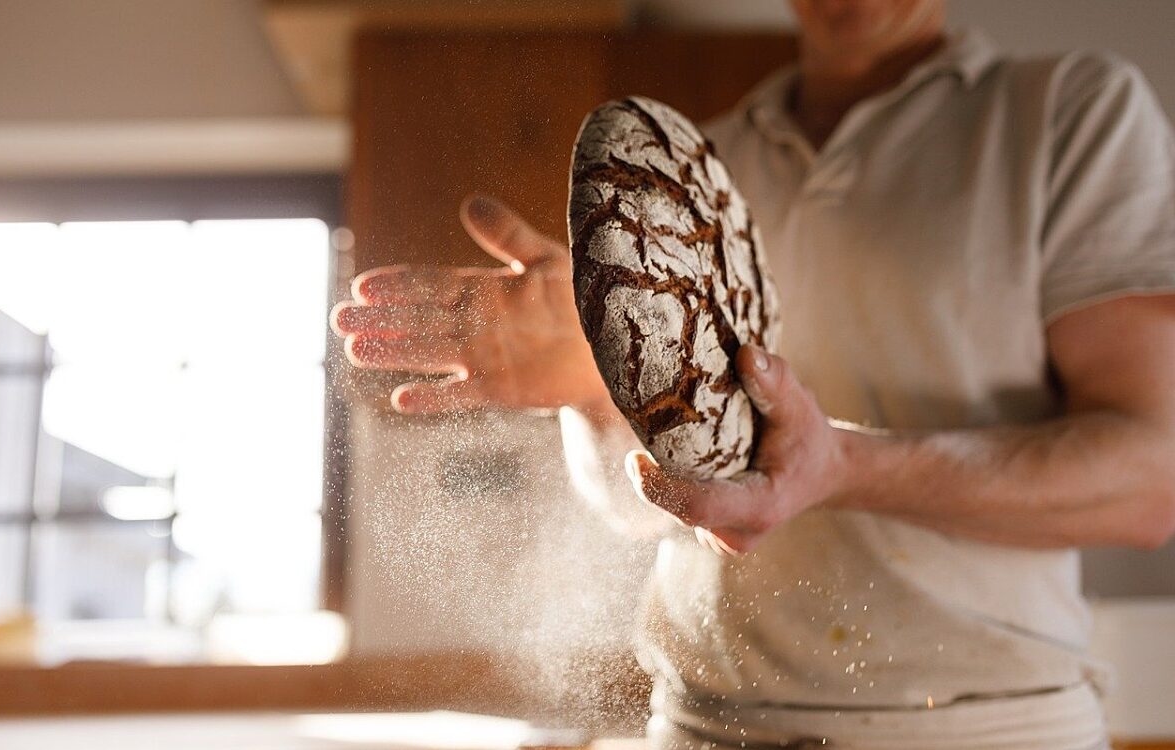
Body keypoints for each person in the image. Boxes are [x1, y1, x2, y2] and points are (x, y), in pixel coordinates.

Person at [332, 1, 1175, 746]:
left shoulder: (1068, 114)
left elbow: (1150, 482)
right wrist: (597, 386)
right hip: (701, 725)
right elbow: (649, 510)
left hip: (980, 727)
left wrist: (842, 468)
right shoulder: (697, 167)